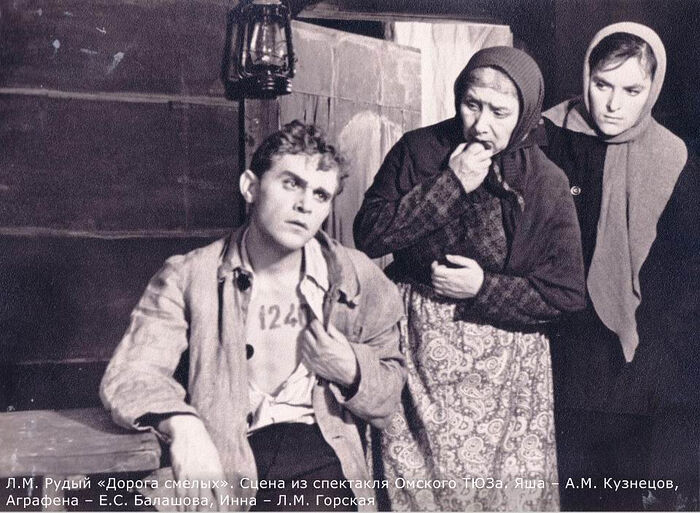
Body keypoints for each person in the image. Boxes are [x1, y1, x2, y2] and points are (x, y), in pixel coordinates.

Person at [100, 121, 406, 512]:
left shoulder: (355, 276)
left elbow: (389, 394)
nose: (305, 205)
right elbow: (131, 373)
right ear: (250, 187)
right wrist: (182, 426)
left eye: (320, 194)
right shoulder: (189, 276)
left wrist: (351, 369)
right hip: (223, 450)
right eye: (291, 183)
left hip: (318, 455)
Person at [354, 47, 585, 511]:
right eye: (472, 105)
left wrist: (482, 288)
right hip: (417, 352)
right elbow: (370, 235)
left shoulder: (546, 180)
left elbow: (566, 294)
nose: (481, 125)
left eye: (500, 112)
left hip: (507, 374)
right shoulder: (419, 151)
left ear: (525, 113)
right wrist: (450, 184)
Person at [543, 22, 700, 511]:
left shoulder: (673, 157)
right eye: (602, 84)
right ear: (585, 76)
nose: (613, 104)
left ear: (653, 89)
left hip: (630, 358)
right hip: (549, 344)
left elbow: (685, 272)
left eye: (632, 90)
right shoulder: (545, 137)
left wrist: (654, 356)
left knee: (616, 494)